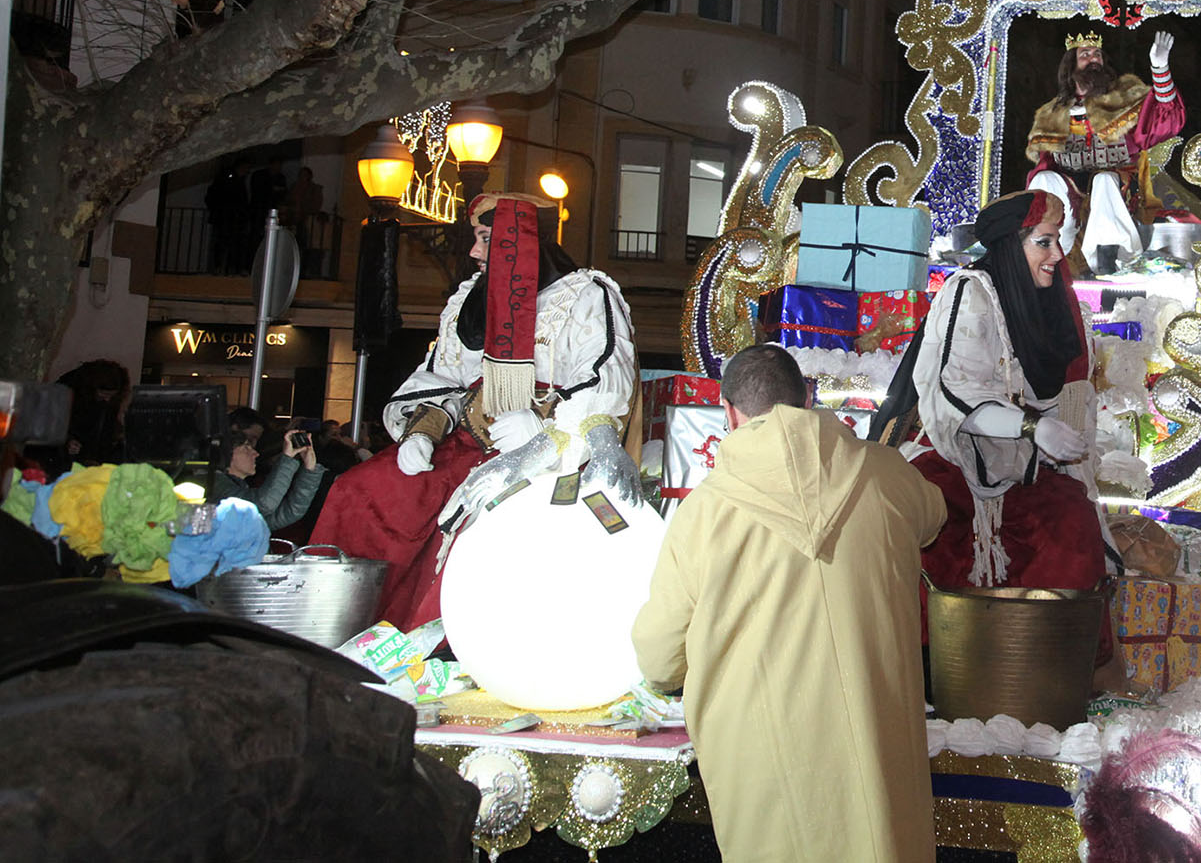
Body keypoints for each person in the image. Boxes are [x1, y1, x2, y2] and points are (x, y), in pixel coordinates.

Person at [632, 344, 946, 863]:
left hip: (766, 766)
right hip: (877, 759)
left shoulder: (703, 512)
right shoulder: (889, 476)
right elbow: (933, 517)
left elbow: (659, 658)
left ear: (727, 411)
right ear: (807, 396)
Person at [313, 192, 637, 630]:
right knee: (363, 490)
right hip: (462, 440)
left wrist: (540, 434)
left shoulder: (586, 295)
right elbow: (442, 376)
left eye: (486, 239)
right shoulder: (468, 301)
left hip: (550, 452)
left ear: (518, 243)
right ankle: (337, 624)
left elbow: (605, 377)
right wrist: (423, 430)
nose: (473, 252)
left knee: (480, 518)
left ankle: (446, 640)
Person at [879, 190, 1107, 595]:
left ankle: (1047, 654)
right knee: (927, 542)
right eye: (1043, 242)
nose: (1057, 255)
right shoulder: (970, 293)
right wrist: (1033, 426)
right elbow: (957, 389)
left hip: (1030, 472)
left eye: (1057, 241)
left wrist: (1054, 433)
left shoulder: (1052, 305)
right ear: (1010, 244)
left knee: (1074, 532)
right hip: (961, 464)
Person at [1024, 29, 1184, 273]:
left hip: (1118, 183)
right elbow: (1045, 165)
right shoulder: (1052, 115)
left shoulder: (1124, 99)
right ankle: (1046, 249)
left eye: (1097, 54)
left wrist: (1160, 68)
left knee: (1104, 180)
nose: (1094, 59)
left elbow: (1167, 120)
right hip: (1073, 188)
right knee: (1043, 179)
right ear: (1071, 66)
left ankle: (1111, 259)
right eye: (1085, 54)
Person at [212, 427, 326, 530]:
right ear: (226, 455)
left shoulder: (235, 486)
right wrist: (287, 459)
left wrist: (309, 469)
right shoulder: (215, 485)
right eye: (246, 448)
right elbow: (265, 503)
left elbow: (290, 512)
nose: (255, 453)